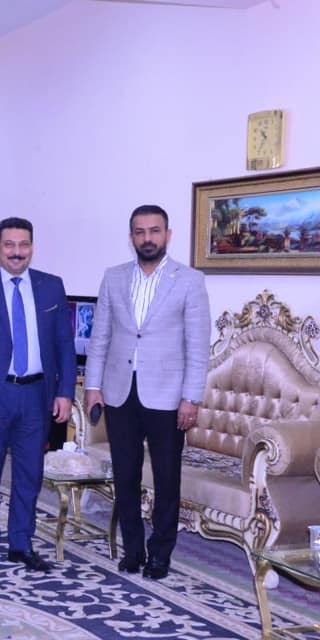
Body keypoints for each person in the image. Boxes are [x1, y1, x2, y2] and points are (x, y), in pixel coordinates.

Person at [84, 204, 210, 580]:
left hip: (168, 397)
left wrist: (191, 397)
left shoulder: (189, 281)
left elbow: (197, 345)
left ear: (167, 235)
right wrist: (93, 386)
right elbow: (100, 337)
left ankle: (160, 554)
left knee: (167, 478)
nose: (147, 238)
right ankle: (133, 550)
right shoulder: (114, 278)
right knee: (125, 476)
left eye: (155, 231)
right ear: (131, 238)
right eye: (140, 232)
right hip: (120, 393)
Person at [0, 217, 75, 574]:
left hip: (37, 396)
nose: (17, 252)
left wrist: (65, 392)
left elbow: (64, 345)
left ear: (32, 247)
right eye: (9, 245)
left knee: (29, 475)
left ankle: (21, 543)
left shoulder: (52, 287)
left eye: (23, 245)